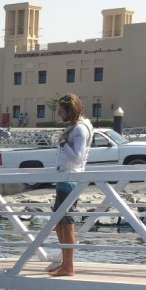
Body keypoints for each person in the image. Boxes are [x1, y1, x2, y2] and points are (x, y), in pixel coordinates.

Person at [49, 94, 92, 277]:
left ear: (70, 110)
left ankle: (69, 266)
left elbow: (78, 157)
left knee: (66, 222)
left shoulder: (80, 130)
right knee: (59, 221)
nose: (59, 113)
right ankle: (65, 263)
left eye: (61, 110)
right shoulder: (73, 127)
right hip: (64, 178)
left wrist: (63, 143)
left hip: (71, 180)